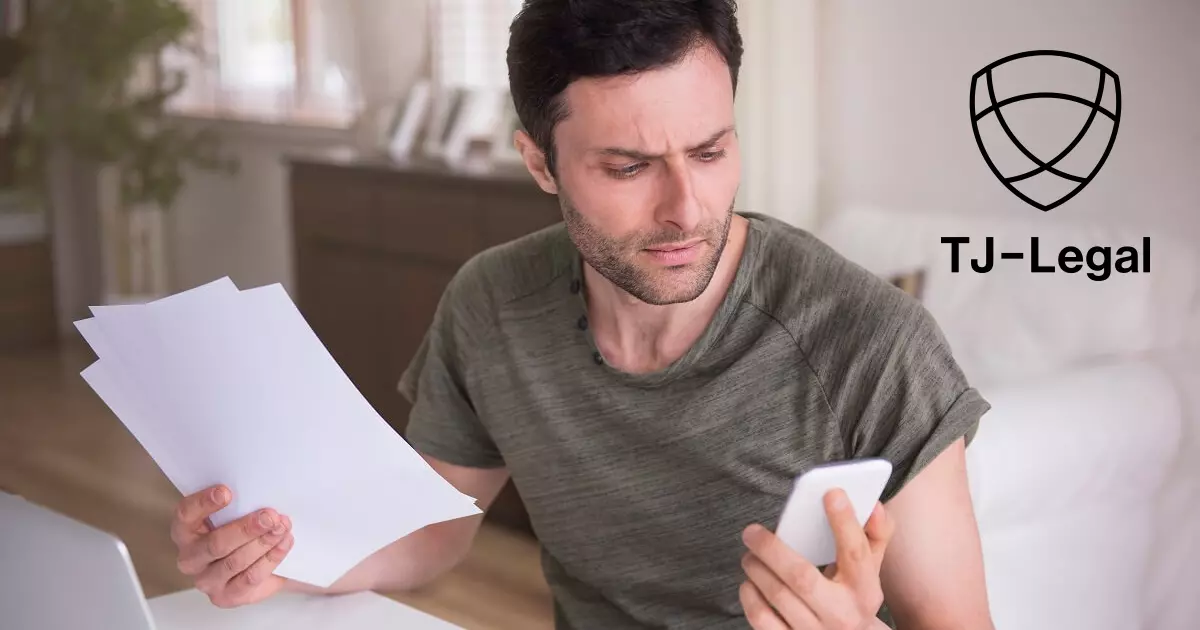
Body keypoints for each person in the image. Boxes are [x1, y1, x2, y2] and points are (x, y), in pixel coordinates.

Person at [168, 1, 995, 628]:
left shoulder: (873, 344)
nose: (686, 209)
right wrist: (287, 557)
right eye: (630, 166)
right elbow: (433, 531)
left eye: (710, 152)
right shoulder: (493, 306)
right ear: (540, 162)